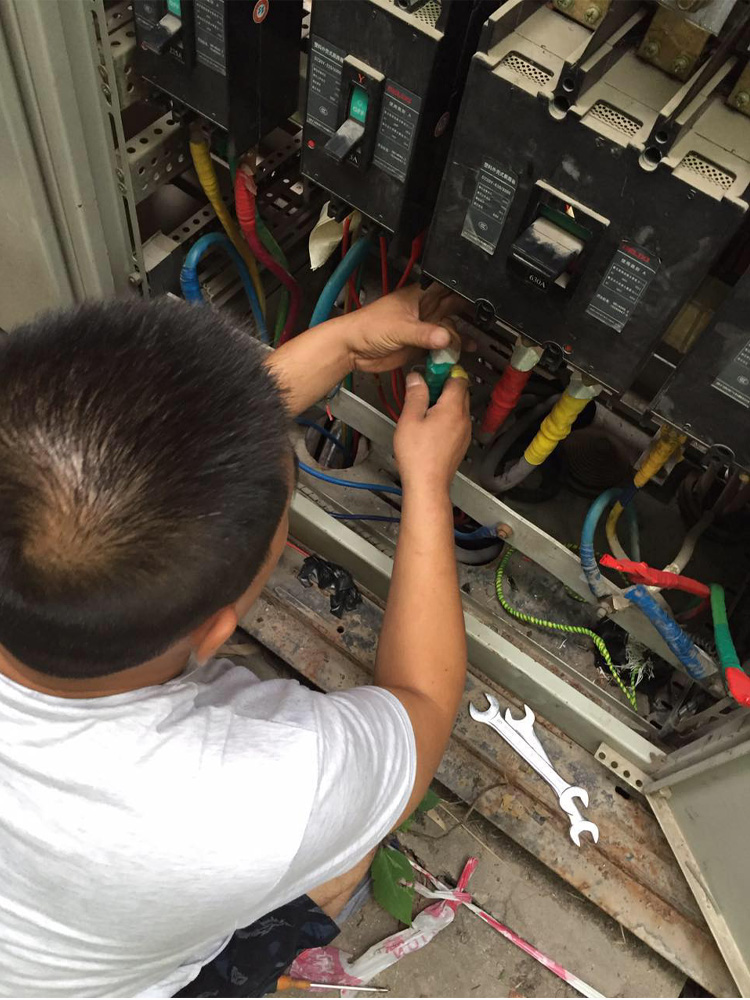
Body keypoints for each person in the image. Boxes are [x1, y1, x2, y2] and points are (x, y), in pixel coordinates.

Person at [0, 284, 471, 998]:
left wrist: (344, 341)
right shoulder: (251, 800)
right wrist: (429, 483)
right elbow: (424, 706)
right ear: (218, 628)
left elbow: (138, 459)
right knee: (351, 845)